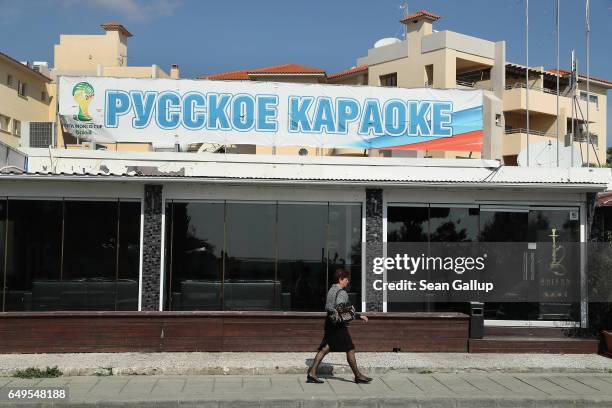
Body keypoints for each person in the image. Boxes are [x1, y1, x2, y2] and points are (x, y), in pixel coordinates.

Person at [306, 268, 372, 384]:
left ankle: (312, 373)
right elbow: (342, 310)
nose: (348, 281)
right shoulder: (342, 292)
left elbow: (329, 307)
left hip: (329, 322)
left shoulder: (331, 290)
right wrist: (358, 316)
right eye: (346, 279)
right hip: (338, 325)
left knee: (326, 348)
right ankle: (358, 375)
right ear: (340, 279)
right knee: (350, 348)